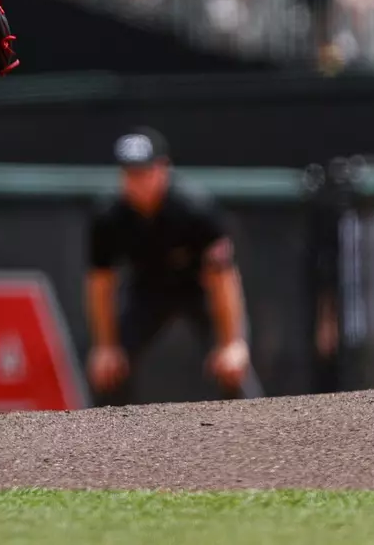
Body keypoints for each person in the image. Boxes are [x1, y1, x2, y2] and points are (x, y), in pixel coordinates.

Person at [85, 128, 258, 405]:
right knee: (110, 368)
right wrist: (105, 346)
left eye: (144, 172)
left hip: (199, 289)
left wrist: (231, 343)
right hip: (147, 290)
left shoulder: (194, 208)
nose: (136, 181)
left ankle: (256, 435)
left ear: (163, 168)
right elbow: (100, 284)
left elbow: (222, 279)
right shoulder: (109, 216)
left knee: (232, 368)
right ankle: (104, 443)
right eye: (129, 173)